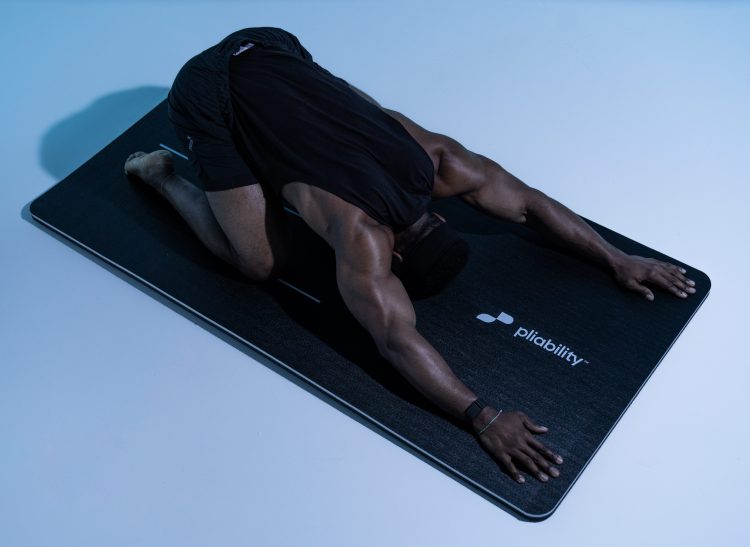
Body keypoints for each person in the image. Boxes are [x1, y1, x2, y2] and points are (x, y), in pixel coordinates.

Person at [124, 26, 697, 485]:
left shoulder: (438, 161)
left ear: (443, 216)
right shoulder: (360, 237)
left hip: (272, 42)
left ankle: (278, 151)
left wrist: (617, 258)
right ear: (395, 260)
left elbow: (528, 204)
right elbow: (396, 337)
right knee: (257, 263)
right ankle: (161, 175)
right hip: (206, 92)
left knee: (372, 114)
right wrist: (481, 416)